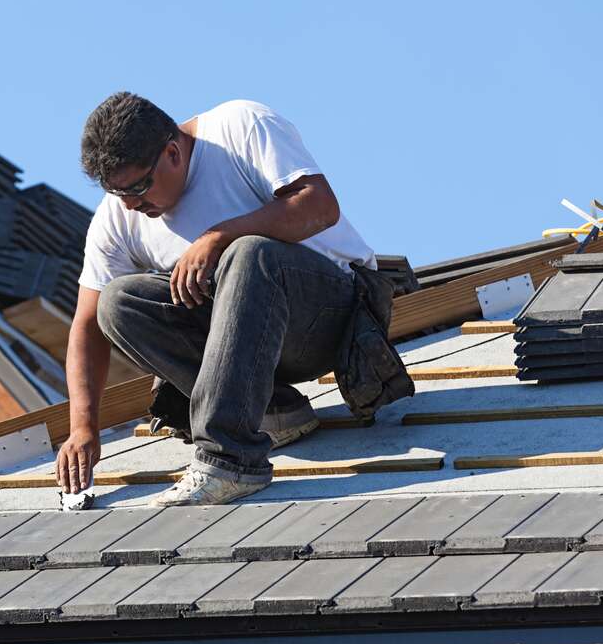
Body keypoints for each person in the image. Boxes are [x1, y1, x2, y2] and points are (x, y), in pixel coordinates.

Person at [55, 92, 376, 507]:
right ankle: (274, 413)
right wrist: (83, 427)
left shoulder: (239, 128)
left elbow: (320, 206)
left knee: (249, 253)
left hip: (333, 319)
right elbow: (86, 325)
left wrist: (220, 236)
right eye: (119, 193)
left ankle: (231, 461)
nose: (132, 205)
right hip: (254, 351)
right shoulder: (119, 217)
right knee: (117, 303)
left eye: (137, 187)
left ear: (172, 152)